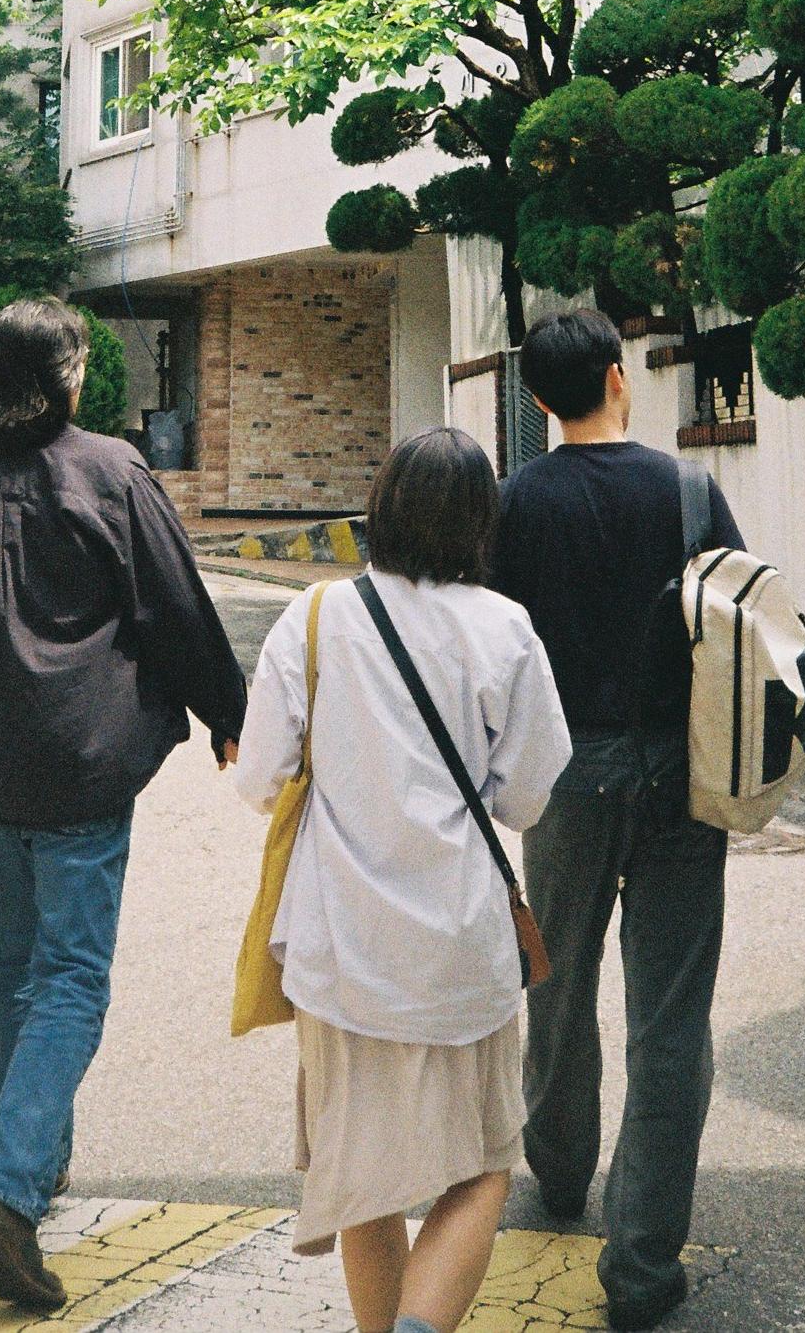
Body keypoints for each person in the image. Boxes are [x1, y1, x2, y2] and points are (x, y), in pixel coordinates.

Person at [0, 297, 247, 1314]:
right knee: (68, 977)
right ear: (65, 379)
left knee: (12, 959)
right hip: (83, 766)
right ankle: (6, 1187)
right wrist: (229, 713)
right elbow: (176, 605)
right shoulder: (113, 471)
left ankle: (25, 1159)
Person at [235, 426, 570, 1333]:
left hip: (342, 951)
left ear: (379, 506)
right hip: (459, 949)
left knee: (364, 1181)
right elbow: (527, 796)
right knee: (483, 1163)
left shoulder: (315, 619)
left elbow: (258, 777)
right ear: (480, 522)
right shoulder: (504, 628)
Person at [490, 310, 746, 1333]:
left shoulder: (515, 501)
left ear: (539, 399)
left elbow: (489, 642)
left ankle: (559, 1172)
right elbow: (740, 618)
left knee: (555, 982)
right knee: (669, 1016)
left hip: (560, 775)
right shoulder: (687, 490)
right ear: (615, 377)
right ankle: (640, 1268)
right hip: (679, 771)